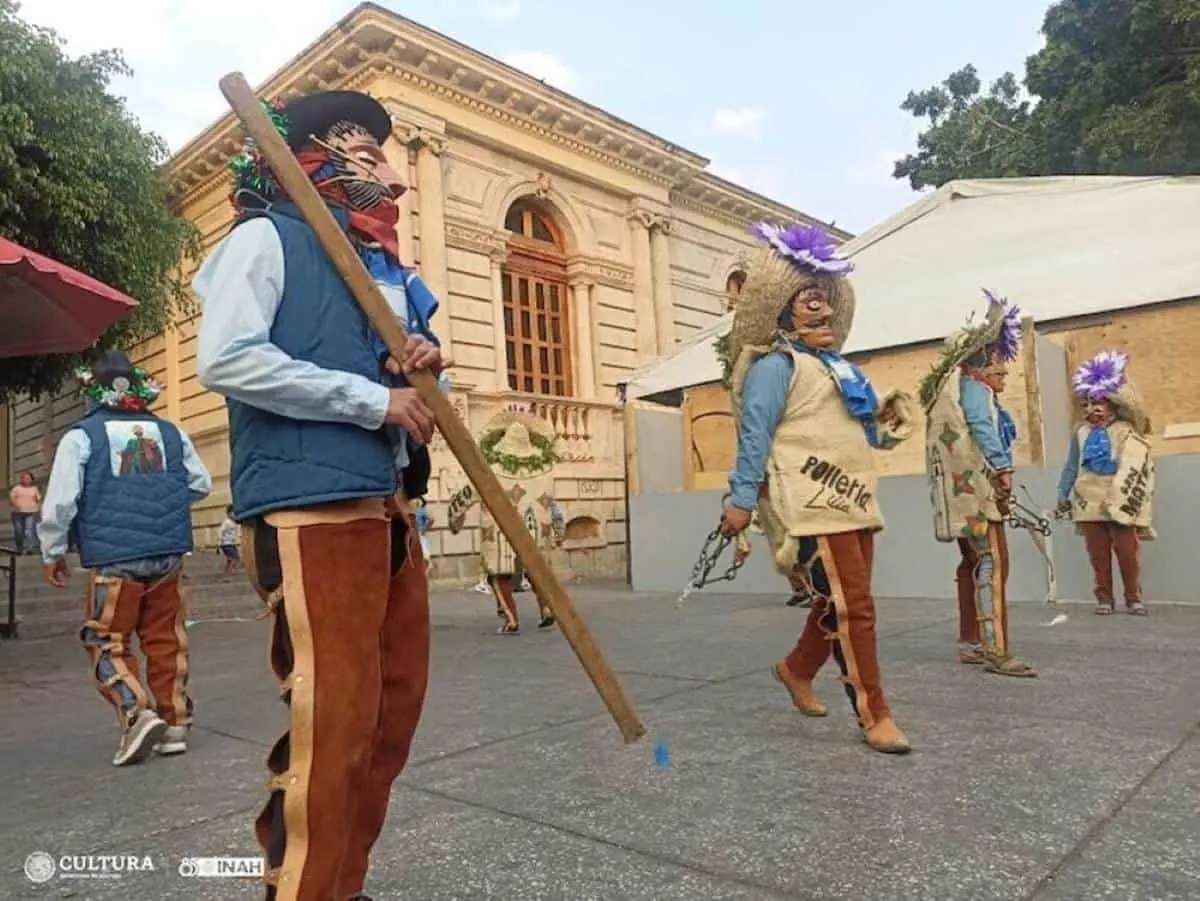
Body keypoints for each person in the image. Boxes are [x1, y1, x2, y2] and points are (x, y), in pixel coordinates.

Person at [193, 89, 448, 901]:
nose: (381, 164)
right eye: (359, 150)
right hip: (311, 510)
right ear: (311, 155)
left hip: (387, 506)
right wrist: (373, 400)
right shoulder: (265, 240)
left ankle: (340, 883)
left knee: (387, 718)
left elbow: (394, 385)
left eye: (382, 152)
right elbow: (227, 360)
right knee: (332, 725)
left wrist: (414, 371)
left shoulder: (385, 272)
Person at [719, 222, 915, 755]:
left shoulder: (839, 370)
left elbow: (860, 430)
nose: (824, 311)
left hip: (853, 497)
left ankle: (796, 668)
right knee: (855, 607)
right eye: (810, 302)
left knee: (840, 601)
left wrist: (886, 418)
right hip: (811, 503)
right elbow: (754, 434)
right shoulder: (772, 367)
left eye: (826, 301)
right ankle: (875, 713)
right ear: (784, 311)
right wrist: (740, 500)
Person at [39, 350, 212, 765]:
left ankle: (137, 713)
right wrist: (162, 503)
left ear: (91, 390)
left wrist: (53, 550)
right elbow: (200, 484)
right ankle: (175, 723)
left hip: (114, 557)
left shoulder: (81, 436)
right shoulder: (171, 432)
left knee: (106, 639)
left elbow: (61, 502)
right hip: (167, 552)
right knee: (166, 639)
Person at [921, 290, 1036, 678]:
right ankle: (995, 650)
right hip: (977, 493)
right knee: (992, 562)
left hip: (962, 494)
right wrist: (1003, 468)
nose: (1003, 373)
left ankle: (972, 642)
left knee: (972, 562)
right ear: (981, 367)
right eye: (998, 368)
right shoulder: (975, 391)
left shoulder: (957, 391)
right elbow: (983, 429)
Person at [1056, 350, 1155, 616]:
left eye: (1099, 403)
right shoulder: (1080, 432)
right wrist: (1062, 493)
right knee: (1097, 554)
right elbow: (1070, 465)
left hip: (1118, 496)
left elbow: (1135, 464)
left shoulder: (1125, 431)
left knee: (1127, 550)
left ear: (1112, 404)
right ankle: (1104, 598)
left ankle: (1133, 597)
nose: (1092, 409)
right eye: (1088, 403)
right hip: (1088, 498)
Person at [447, 407, 562, 634]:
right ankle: (547, 609)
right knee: (536, 570)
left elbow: (466, 495)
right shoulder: (543, 473)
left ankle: (511, 619)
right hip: (536, 529)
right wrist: (558, 529)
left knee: (499, 574)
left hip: (500, 531)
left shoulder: (489, 470)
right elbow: (553, 504)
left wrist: (454, 518)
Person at [9, 470, 41, 555]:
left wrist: (39, 509)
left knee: (29, 531)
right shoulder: (16, 488)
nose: (26, 480)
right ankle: (19, 547)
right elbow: (12, 499)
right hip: (17, 513)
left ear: (31, 480)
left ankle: (29, 548)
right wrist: (15, 505)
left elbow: (38, 500)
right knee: (19, 531)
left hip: (31, 513)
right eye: (24, 478)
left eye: (28, 478)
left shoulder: (34, 489)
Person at [217, 504, 241, 578]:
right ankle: (229, 574)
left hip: (231, 543)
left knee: (230, 559)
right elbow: (220, 531)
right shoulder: (227, 522)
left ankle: (226, 574)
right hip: (226, 544)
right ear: (229, 513)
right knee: (235, 558)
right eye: (233, 513)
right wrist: (219, 542)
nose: (234, 515)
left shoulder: (233, 522)